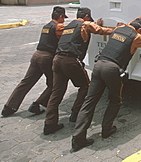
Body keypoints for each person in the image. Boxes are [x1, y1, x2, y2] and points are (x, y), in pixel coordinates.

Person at [70, 15, 141, 152]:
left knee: (89, 102)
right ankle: (107, 129)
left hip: (99, 65)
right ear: (139, 30)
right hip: (112, 69)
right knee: (115, 100)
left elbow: (131, 22)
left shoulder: (120, 28)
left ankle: (78, 138)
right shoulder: (135, 37)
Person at [43, 7, 113, 135]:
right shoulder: (85, 24)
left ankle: (49, 123)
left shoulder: (69, 25)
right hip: (70, 60)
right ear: (86, 16)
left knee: (56, 92)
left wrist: (95, 25)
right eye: (89, 19)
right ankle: (75, 113)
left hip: (57, 59)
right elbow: (102, 31)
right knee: (85, 86)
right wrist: (118, 29)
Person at [1, 6, 67, 117]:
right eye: (63, 18)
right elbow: (71, 30)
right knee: (54, 84)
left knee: (26, 81)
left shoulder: (46, 26)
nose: (64, 20)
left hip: (36, 55)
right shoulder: (58, 27)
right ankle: (37, 105)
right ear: (60, 16)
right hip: (47, 57)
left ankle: (9, 107)